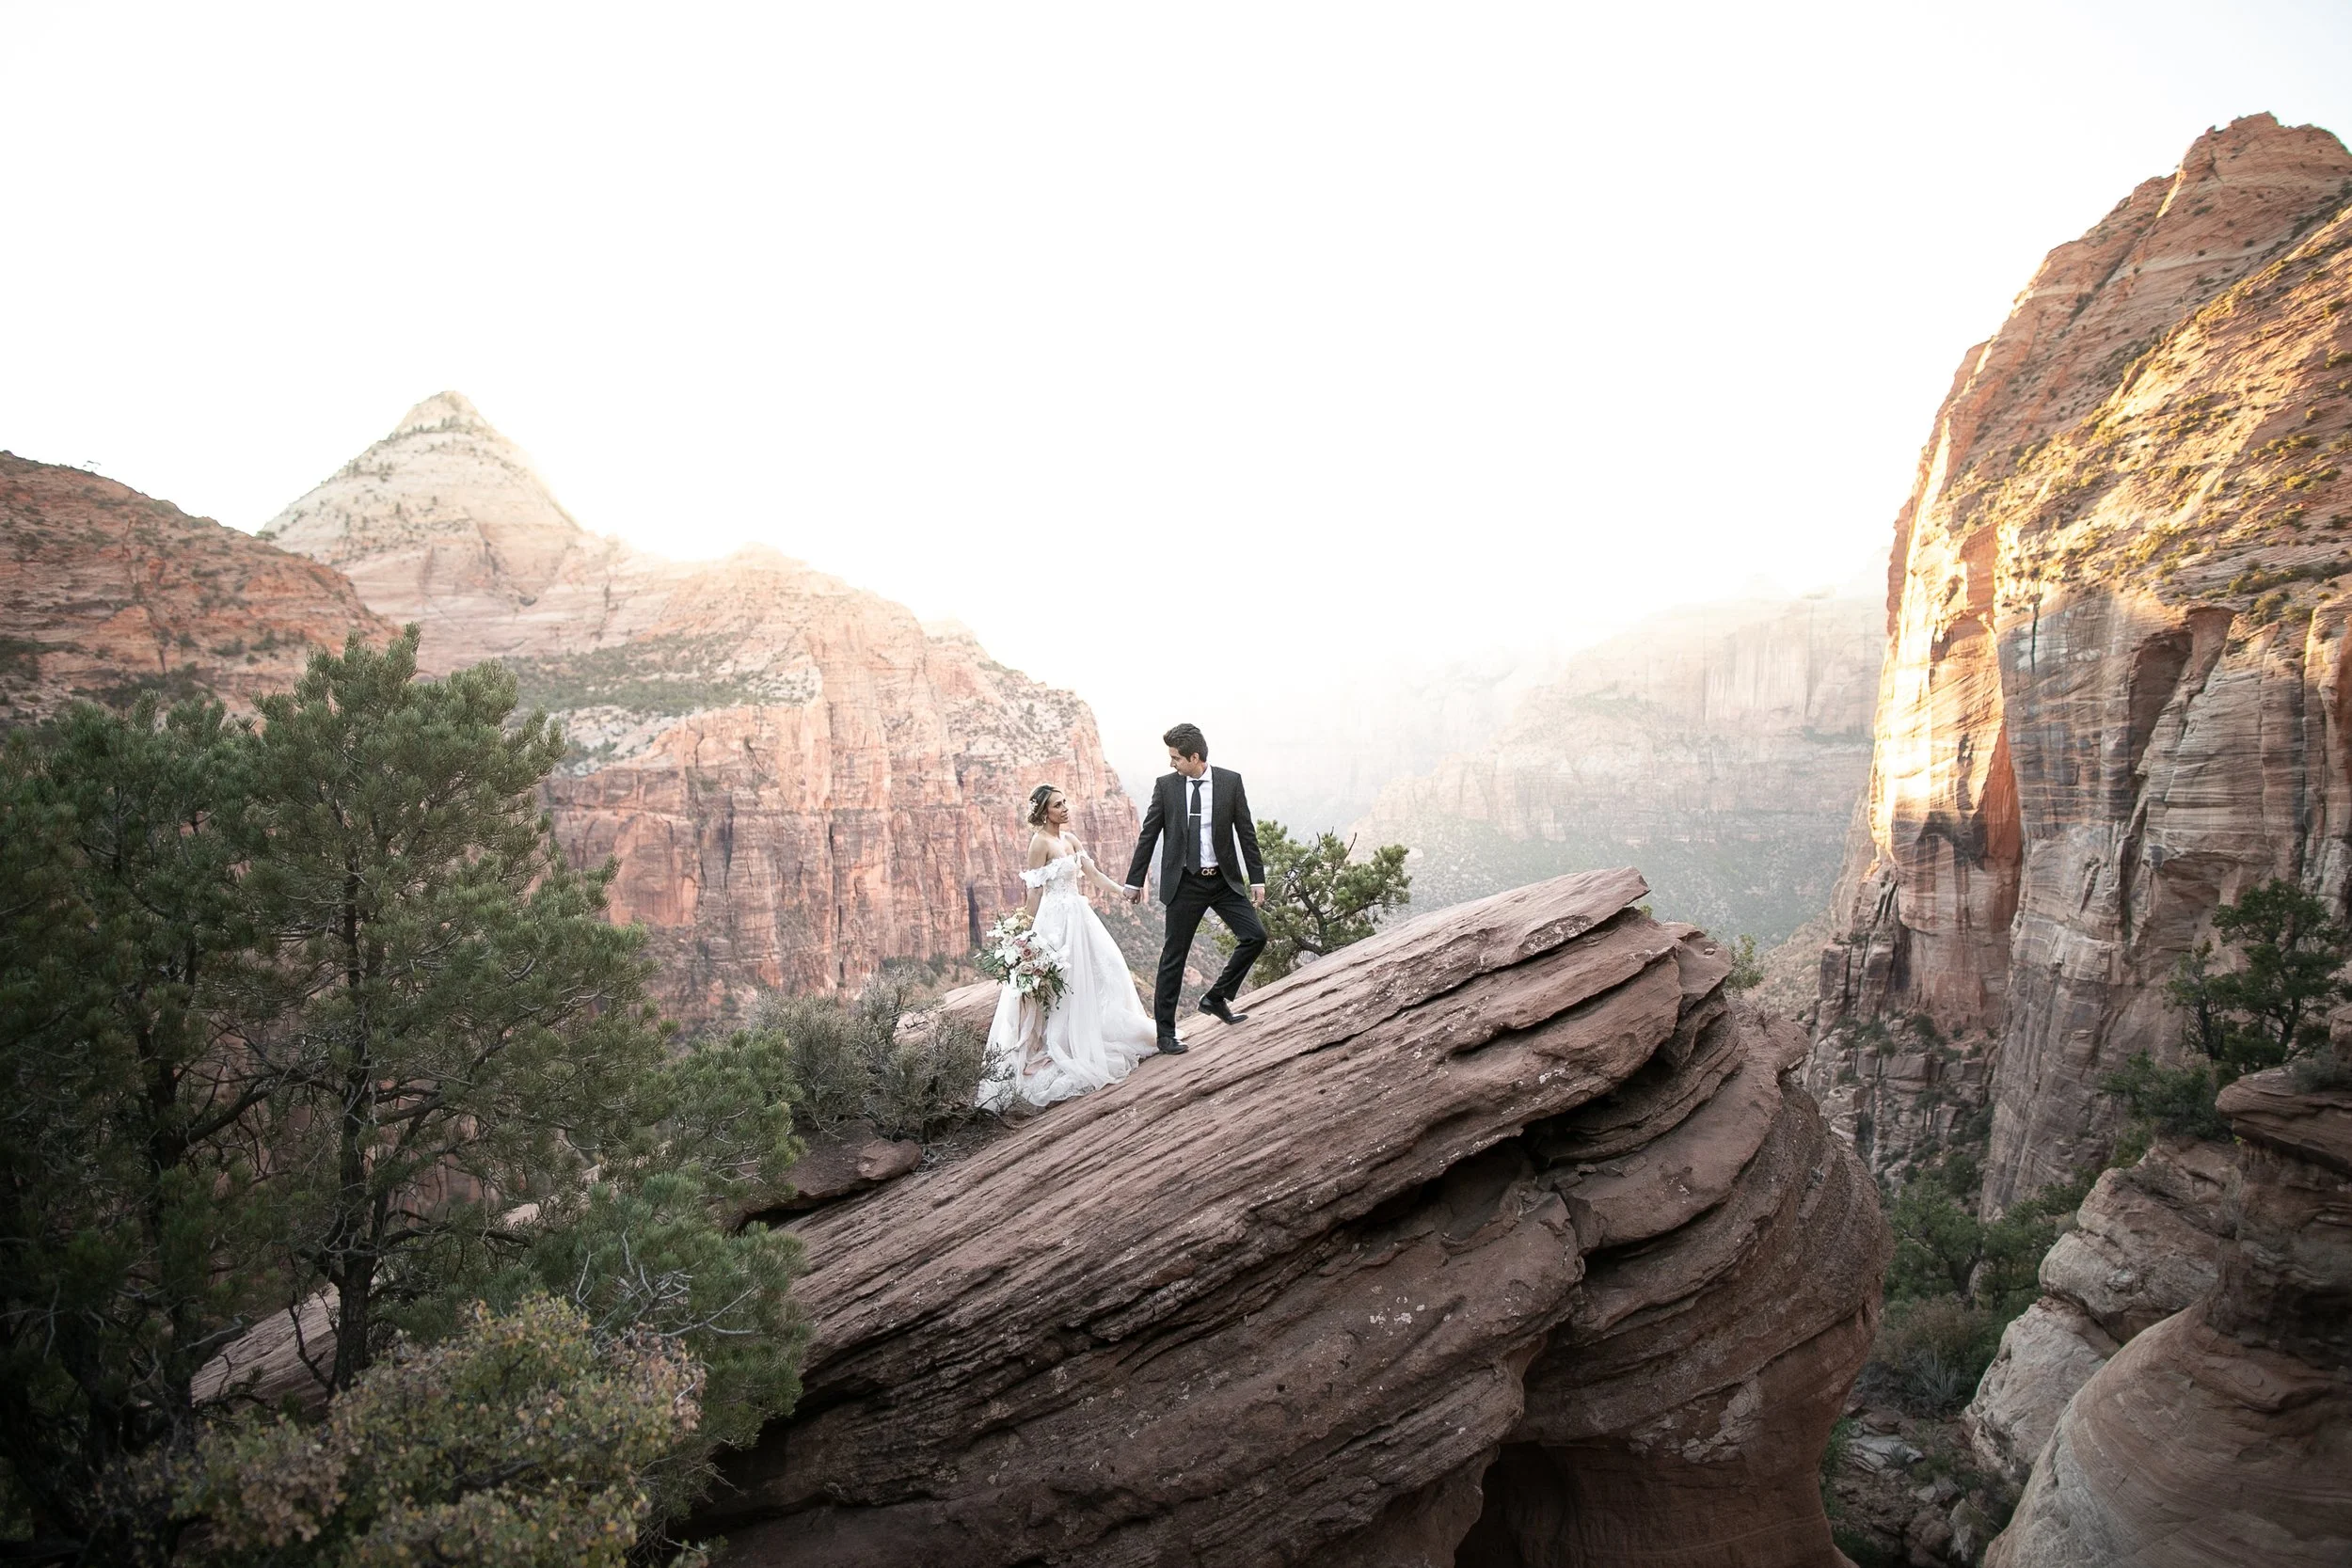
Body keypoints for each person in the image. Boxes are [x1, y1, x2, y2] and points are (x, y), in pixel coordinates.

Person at [977, 784, 1160, 1110]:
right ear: (1044, 812)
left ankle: (1094, 1034)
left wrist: (1123, 892)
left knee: (1109, 969)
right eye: (1057, 805)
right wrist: (1024, 935)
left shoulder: (1070, 839)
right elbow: (1034, 892)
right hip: (1054, 922)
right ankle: (1061, 1045)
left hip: (1080, 916)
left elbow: (1093, 873)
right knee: (1064, 985)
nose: (1065, 809)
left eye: (1065, 803)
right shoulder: (1040, 842)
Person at [1123, 722, 1266, 1053]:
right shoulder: (1166, 787)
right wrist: (1134, 881)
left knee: (1255, 936)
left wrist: (1256, 878)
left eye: (1176, 758)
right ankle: (1166, 1034)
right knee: (1174, 957)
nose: (1171, 763)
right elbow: (1149, 835)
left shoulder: (1231, 782)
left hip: (1223, 880)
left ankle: (1216, 998)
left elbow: (1246, 832)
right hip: (1184, 883)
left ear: (1195, 757)